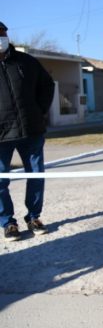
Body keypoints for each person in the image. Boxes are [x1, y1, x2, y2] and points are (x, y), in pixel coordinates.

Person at [0, 20, 55, 242]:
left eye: (3, 32)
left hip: (32, 131)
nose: (1, 37)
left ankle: (34, 217)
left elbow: (47, 85)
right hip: (1, 135)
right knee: (0, 180)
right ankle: (8, 222)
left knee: (36, 175)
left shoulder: (26, 62)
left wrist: (39, 112)